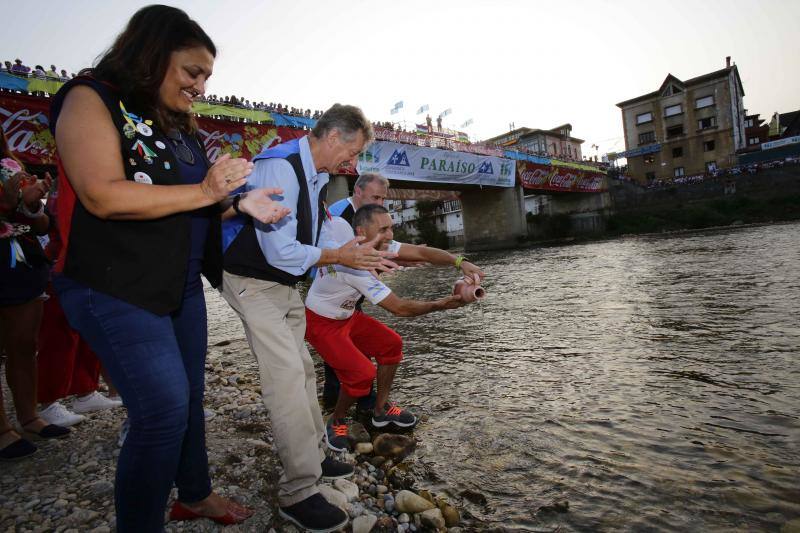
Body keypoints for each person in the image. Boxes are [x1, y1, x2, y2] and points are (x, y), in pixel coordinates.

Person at [49, 6, 289, 531]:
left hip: (177, 281)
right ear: (152, 53)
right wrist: (207, 189)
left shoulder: (178, 122)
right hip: (112, 280)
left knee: (189, 397)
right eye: (192, 72)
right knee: (161, 410)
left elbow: (190, 203)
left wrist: (236, 205)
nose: (200, 86)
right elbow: (102, 195)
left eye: (206, 77)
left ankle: (194, 494)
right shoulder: (90, 98)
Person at [220, 103, 396, 532]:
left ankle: (315, 457)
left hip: (280, 283)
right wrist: (341, 256)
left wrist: (371, 254)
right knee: (284, 379)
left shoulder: (316, 179)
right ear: (333, 137)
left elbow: (319, 240)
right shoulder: (280, 168)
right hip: (249, 278)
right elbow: (279, 250)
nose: (352, 165)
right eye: (351, 153)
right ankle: (298, 492)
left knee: (301, 370)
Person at [306, 204, 484, 451]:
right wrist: (442, 304)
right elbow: (399, 308)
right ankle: (336, 420)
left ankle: (380, 411)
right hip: (320, 322)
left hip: (347, 315)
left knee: (391, 345)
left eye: (391, 228)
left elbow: (421, 252)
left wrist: (459, 261)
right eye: (384, 229)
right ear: (361, 231)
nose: (390, 235)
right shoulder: (355, 266)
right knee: (362, 374)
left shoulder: (375, 244)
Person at [0, 129, 68, 462]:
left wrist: (31, 204)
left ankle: (29, 417)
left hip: (21, 263)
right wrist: (10, 201)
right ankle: (2, 431)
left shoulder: (12, 165)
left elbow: (41, 224)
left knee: (25, 346)